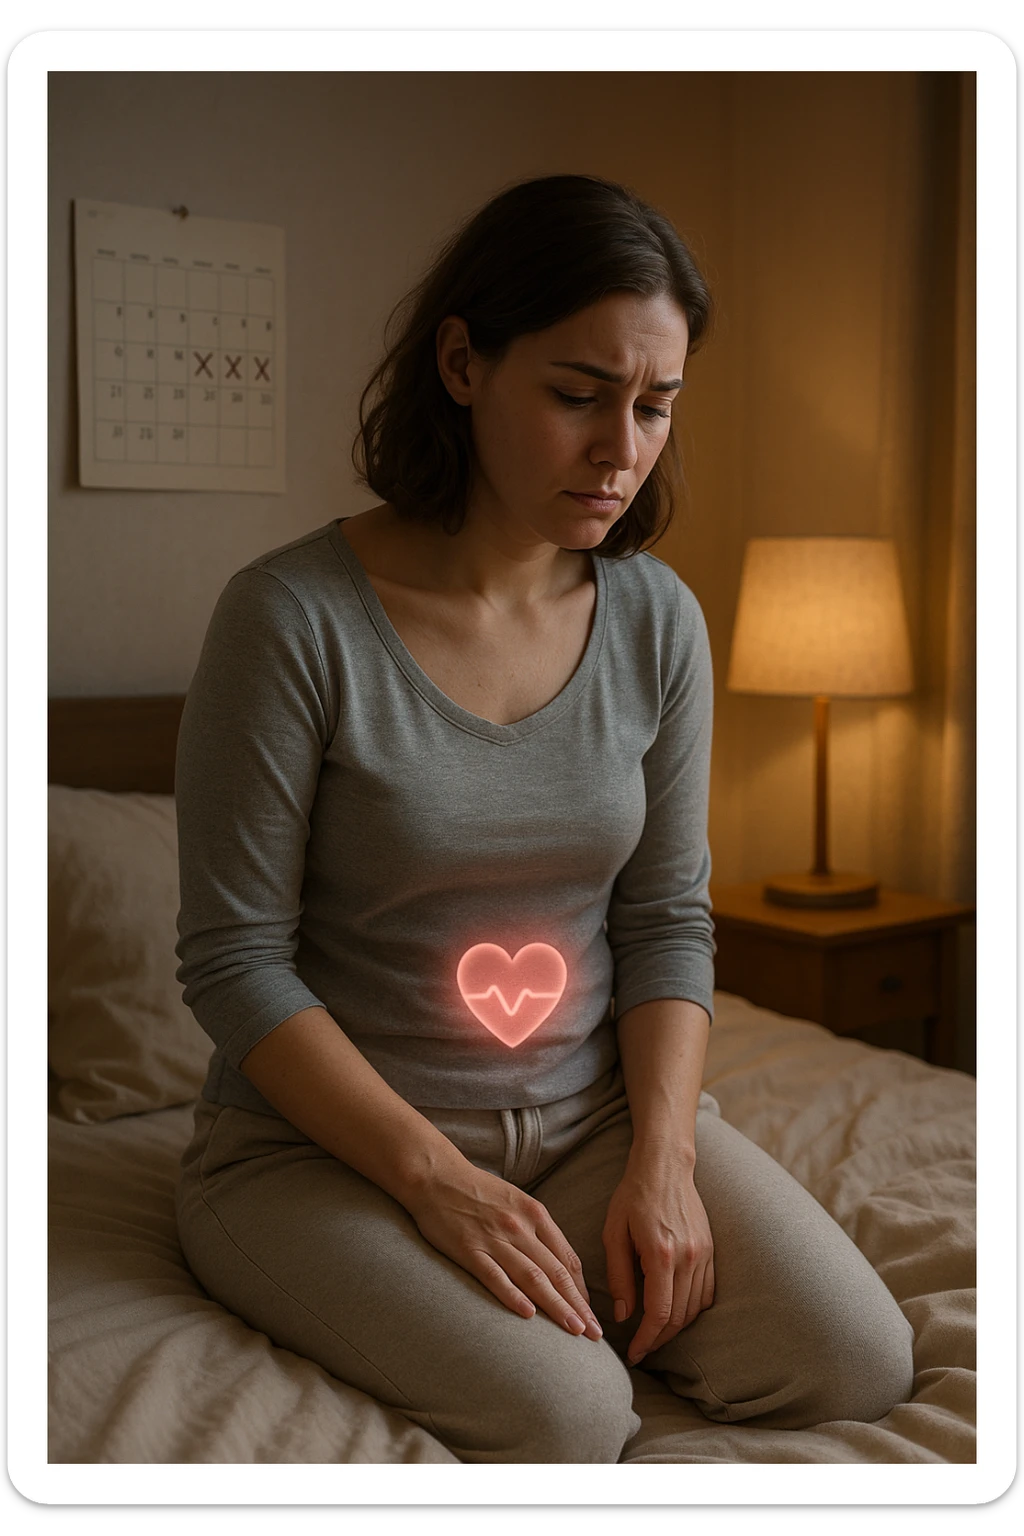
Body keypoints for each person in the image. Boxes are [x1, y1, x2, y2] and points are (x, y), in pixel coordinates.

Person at [173, 174, 914, 1464]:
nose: (622, 448)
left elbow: (667, 920)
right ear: (463, 363)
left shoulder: (659, 620)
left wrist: (667, 1162)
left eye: (656, 404)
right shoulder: (290, 620)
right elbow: (235, 961)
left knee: (855, 1359)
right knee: (567, 1414)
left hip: (590, 1123)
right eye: (578, 395)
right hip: (325, 1158)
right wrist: (436, 1181)